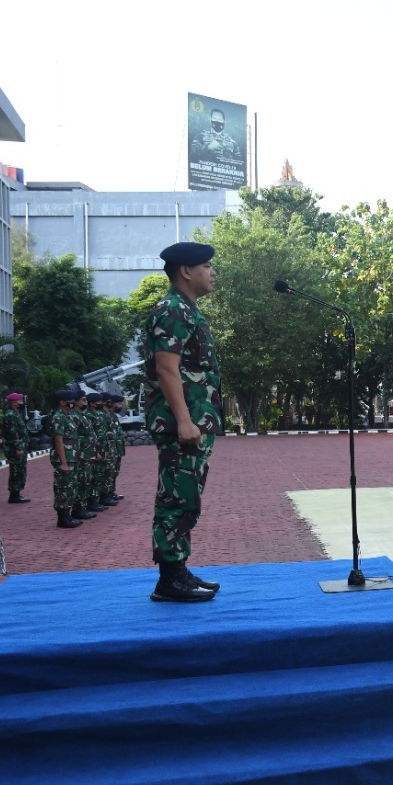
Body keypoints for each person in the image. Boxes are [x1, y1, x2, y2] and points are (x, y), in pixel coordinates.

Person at [142, 241, 223, 602]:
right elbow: (166, 368)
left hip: (194, 421)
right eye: (207, 266)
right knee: (176, 496)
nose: (212, 272)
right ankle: (169, 579)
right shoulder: (172, 309)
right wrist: (185, 420)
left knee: (187, 496)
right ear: (186, 271)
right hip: (182, 424)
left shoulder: (188, 311)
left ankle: (177, 571)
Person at [49, 389, 81, 528]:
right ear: (62, 402)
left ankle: (67, 515)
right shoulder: (59, 417)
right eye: (70, 401)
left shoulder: (67, 416)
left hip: (72, 458)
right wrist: (63, 462)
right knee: (63, 487)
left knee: (70, 487)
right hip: (65, 459)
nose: (73, 403)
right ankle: (62, 518)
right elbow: (58, 441)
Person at [3, 392, 30, 503]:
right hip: (14, 449)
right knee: (16, 471)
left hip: (20, 447)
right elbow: (12, 433)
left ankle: (17, 493)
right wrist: (18, 447)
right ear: (14, 403)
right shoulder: (10, 415)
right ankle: (14, 496)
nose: (22, 403)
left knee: (20, 471)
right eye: (20, 401)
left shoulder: (15, 413)